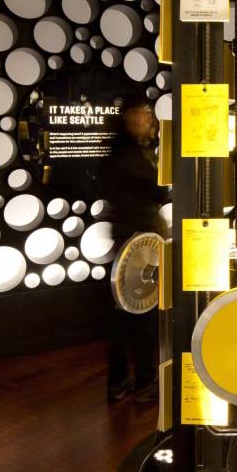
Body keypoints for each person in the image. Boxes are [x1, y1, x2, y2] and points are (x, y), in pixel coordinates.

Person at [94, 94, 168, 403]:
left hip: (131, 242)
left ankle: (121, 381)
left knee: (125, 315)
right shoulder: (131, 157)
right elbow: (156, 192)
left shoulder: (124, 153)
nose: (145, 120)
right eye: (140, 115)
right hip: (138, 246)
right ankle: (144, 382)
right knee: (140, 315)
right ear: (127, 118)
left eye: (147, 115)